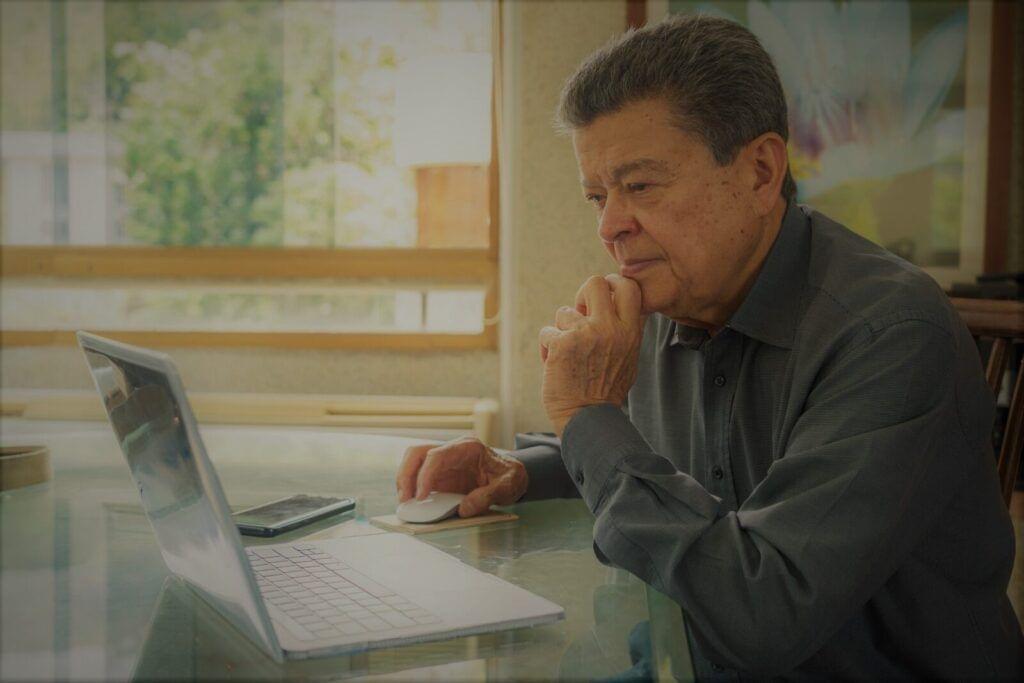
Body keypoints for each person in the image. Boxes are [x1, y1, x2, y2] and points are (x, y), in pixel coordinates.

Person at [395, 14, 1023, 679]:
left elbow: (764, 615)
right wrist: (522, 466)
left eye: (639, 186)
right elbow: (647, 452)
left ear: (759, 171)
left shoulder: (890, 335)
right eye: (597, 195)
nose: (609, 225)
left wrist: (587, 415)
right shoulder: (673, 295)